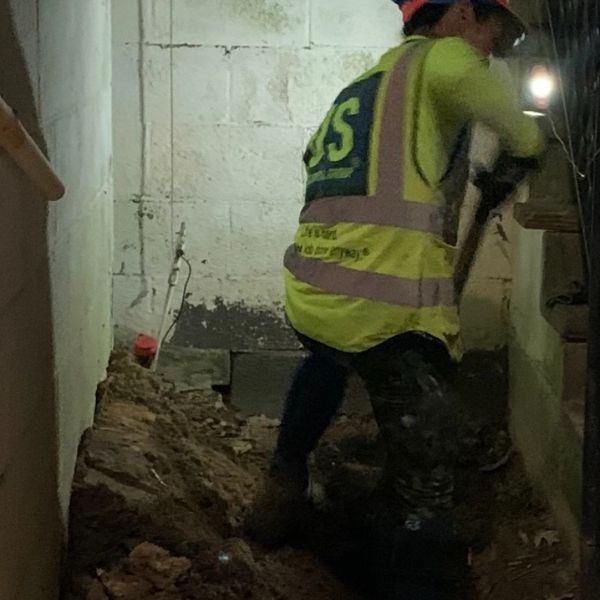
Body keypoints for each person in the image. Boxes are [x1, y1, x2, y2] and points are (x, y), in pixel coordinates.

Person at [248, 0, 544, 594]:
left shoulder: (369, 82)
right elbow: (523, 132)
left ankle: (284, 482)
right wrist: (524, 152)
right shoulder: (448, 60)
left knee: (327, 361)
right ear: (460, 15)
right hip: (383, 309)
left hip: (313, 295)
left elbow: (317, 159)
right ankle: (417, 575)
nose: (493, 50)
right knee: (429, 465)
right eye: (495, 33)